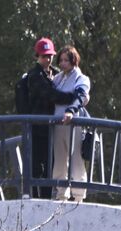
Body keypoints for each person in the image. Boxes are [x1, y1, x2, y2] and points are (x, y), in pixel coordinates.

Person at [21, 38, 79, 200]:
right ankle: (34, 198)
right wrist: (74, 97)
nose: (47, 59)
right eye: (43, 56)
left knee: (50, 164)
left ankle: (46, 198)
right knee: (37, 165)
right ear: (37, 56)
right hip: (37, 128)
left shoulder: (55, 73)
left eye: (49, 56)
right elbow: (50, 95)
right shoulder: (34, 76)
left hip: (50, 128)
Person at [50, 45, 91, 201]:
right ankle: (61, 194)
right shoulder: (58, 78)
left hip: (74, 125)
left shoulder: (81, 78)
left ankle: (79, 196)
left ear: (74, 61)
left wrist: (71, 110)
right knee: (59, 160)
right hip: (58, 125)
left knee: (76, 160)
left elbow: (80, 96)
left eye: (66, 60)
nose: (62, 63)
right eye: (60, 60)